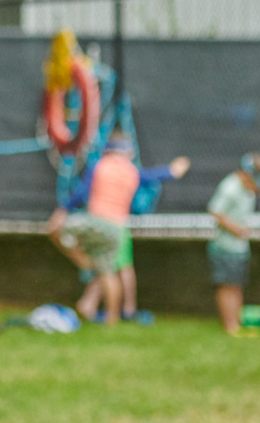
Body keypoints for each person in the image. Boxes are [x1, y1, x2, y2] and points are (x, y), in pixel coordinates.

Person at [48, 132, 189, 324]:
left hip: (96, 222)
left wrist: (62, 210)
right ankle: (110, 316)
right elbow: (158, 175)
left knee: (56, 230)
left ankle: (82, 261)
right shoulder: (132, 171)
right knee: (108, 272)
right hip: (117, 229)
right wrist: (175, 168)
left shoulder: (100, 166)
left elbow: (81, 192)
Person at [207, 153, 260, 335]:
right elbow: (215, 211)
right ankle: (230, 326)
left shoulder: (248, 190)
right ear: (249, 174)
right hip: (225, 247)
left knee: (236, 286)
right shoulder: (230, 187)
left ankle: (236, 322)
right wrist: (236, 229)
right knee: (227, 286)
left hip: (239, 248)